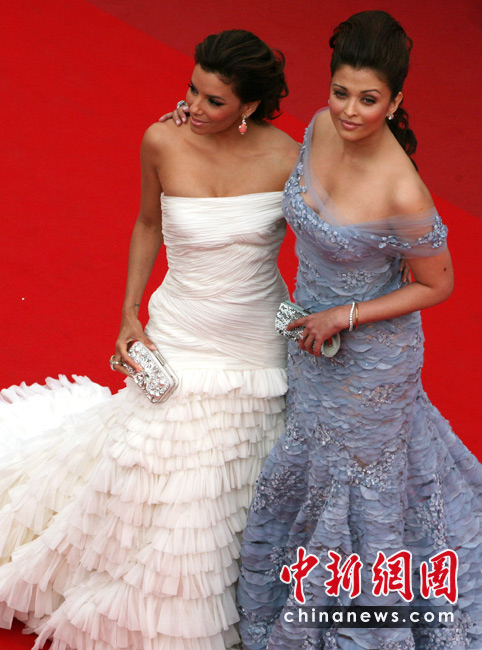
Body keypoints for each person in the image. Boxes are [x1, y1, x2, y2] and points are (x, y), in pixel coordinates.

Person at [0, 30, 300, 650]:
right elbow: (146, 222)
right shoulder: (162, 140)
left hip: (253, 341)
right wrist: (128, 313)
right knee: (151, 463)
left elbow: (335, 234)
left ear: (249, 106)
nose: (194, 106)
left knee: (220, 481)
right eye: (192, 89)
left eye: (214, 100)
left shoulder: (291, 158)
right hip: (179, 329)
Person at [236, 10, 482, 650]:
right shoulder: (320, 127)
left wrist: (343, 315)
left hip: (371, 366)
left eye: (369, 100)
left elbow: (438, 284)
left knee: (357, 490)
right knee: (310, 468)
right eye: (340, 92)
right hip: (309, 345)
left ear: (395, 101)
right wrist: (203, 128)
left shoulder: (403, 191)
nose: (349, 111)